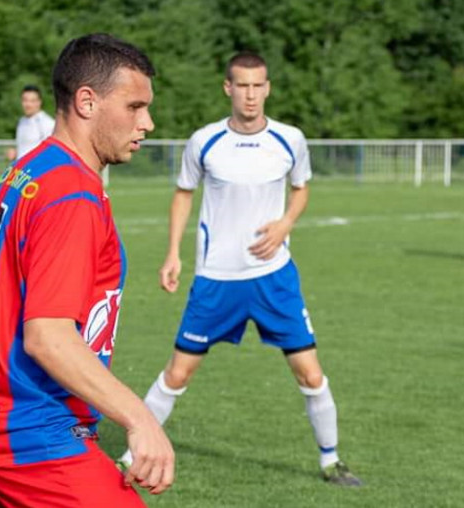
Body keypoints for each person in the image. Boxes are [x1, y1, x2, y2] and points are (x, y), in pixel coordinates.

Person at [0, 33, 174, 507]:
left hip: (4, 434)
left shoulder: (26, 173)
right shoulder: (72, 195)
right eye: (134, 107)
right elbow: (47, 336)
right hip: (38, 438)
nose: (147, 123)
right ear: (87, 102)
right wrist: (140, 418)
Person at [117, 52, 361, 487]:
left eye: (258, 85)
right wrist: (173, 253)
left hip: (273, 277)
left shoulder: (290, 139)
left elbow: (302, 189)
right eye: (242, 85)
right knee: (178, 373)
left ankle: (332, 461)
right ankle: (128, 457)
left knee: (310, 373)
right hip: (216, 279)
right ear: (228, 88)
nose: (250, 95)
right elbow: (183, 194)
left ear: (268, 88)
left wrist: (285, 223)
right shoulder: (204, 141)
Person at [6, 85, 56, 161]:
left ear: (39, 102)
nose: (28, 104)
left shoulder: (47, 123)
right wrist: (15, 153)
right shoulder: (22, 121)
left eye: (32, 101)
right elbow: (25, 149)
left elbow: (51, 151)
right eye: (25, 100)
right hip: (22, 167)